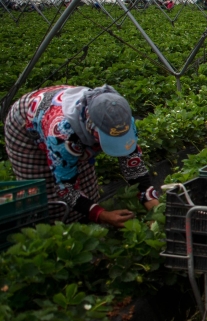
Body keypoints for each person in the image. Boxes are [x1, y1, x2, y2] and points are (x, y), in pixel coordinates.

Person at [4, 86, 159, 227]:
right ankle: (51, 237)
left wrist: (155, 209)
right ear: (91, 128)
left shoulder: (120, 119)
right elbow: (66, 188)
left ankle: (86, 229)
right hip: (25, 124)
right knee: (45, 196)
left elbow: (134, 167)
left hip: (65, 113)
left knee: (89, 189)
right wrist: (103, 215)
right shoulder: (62, 134)